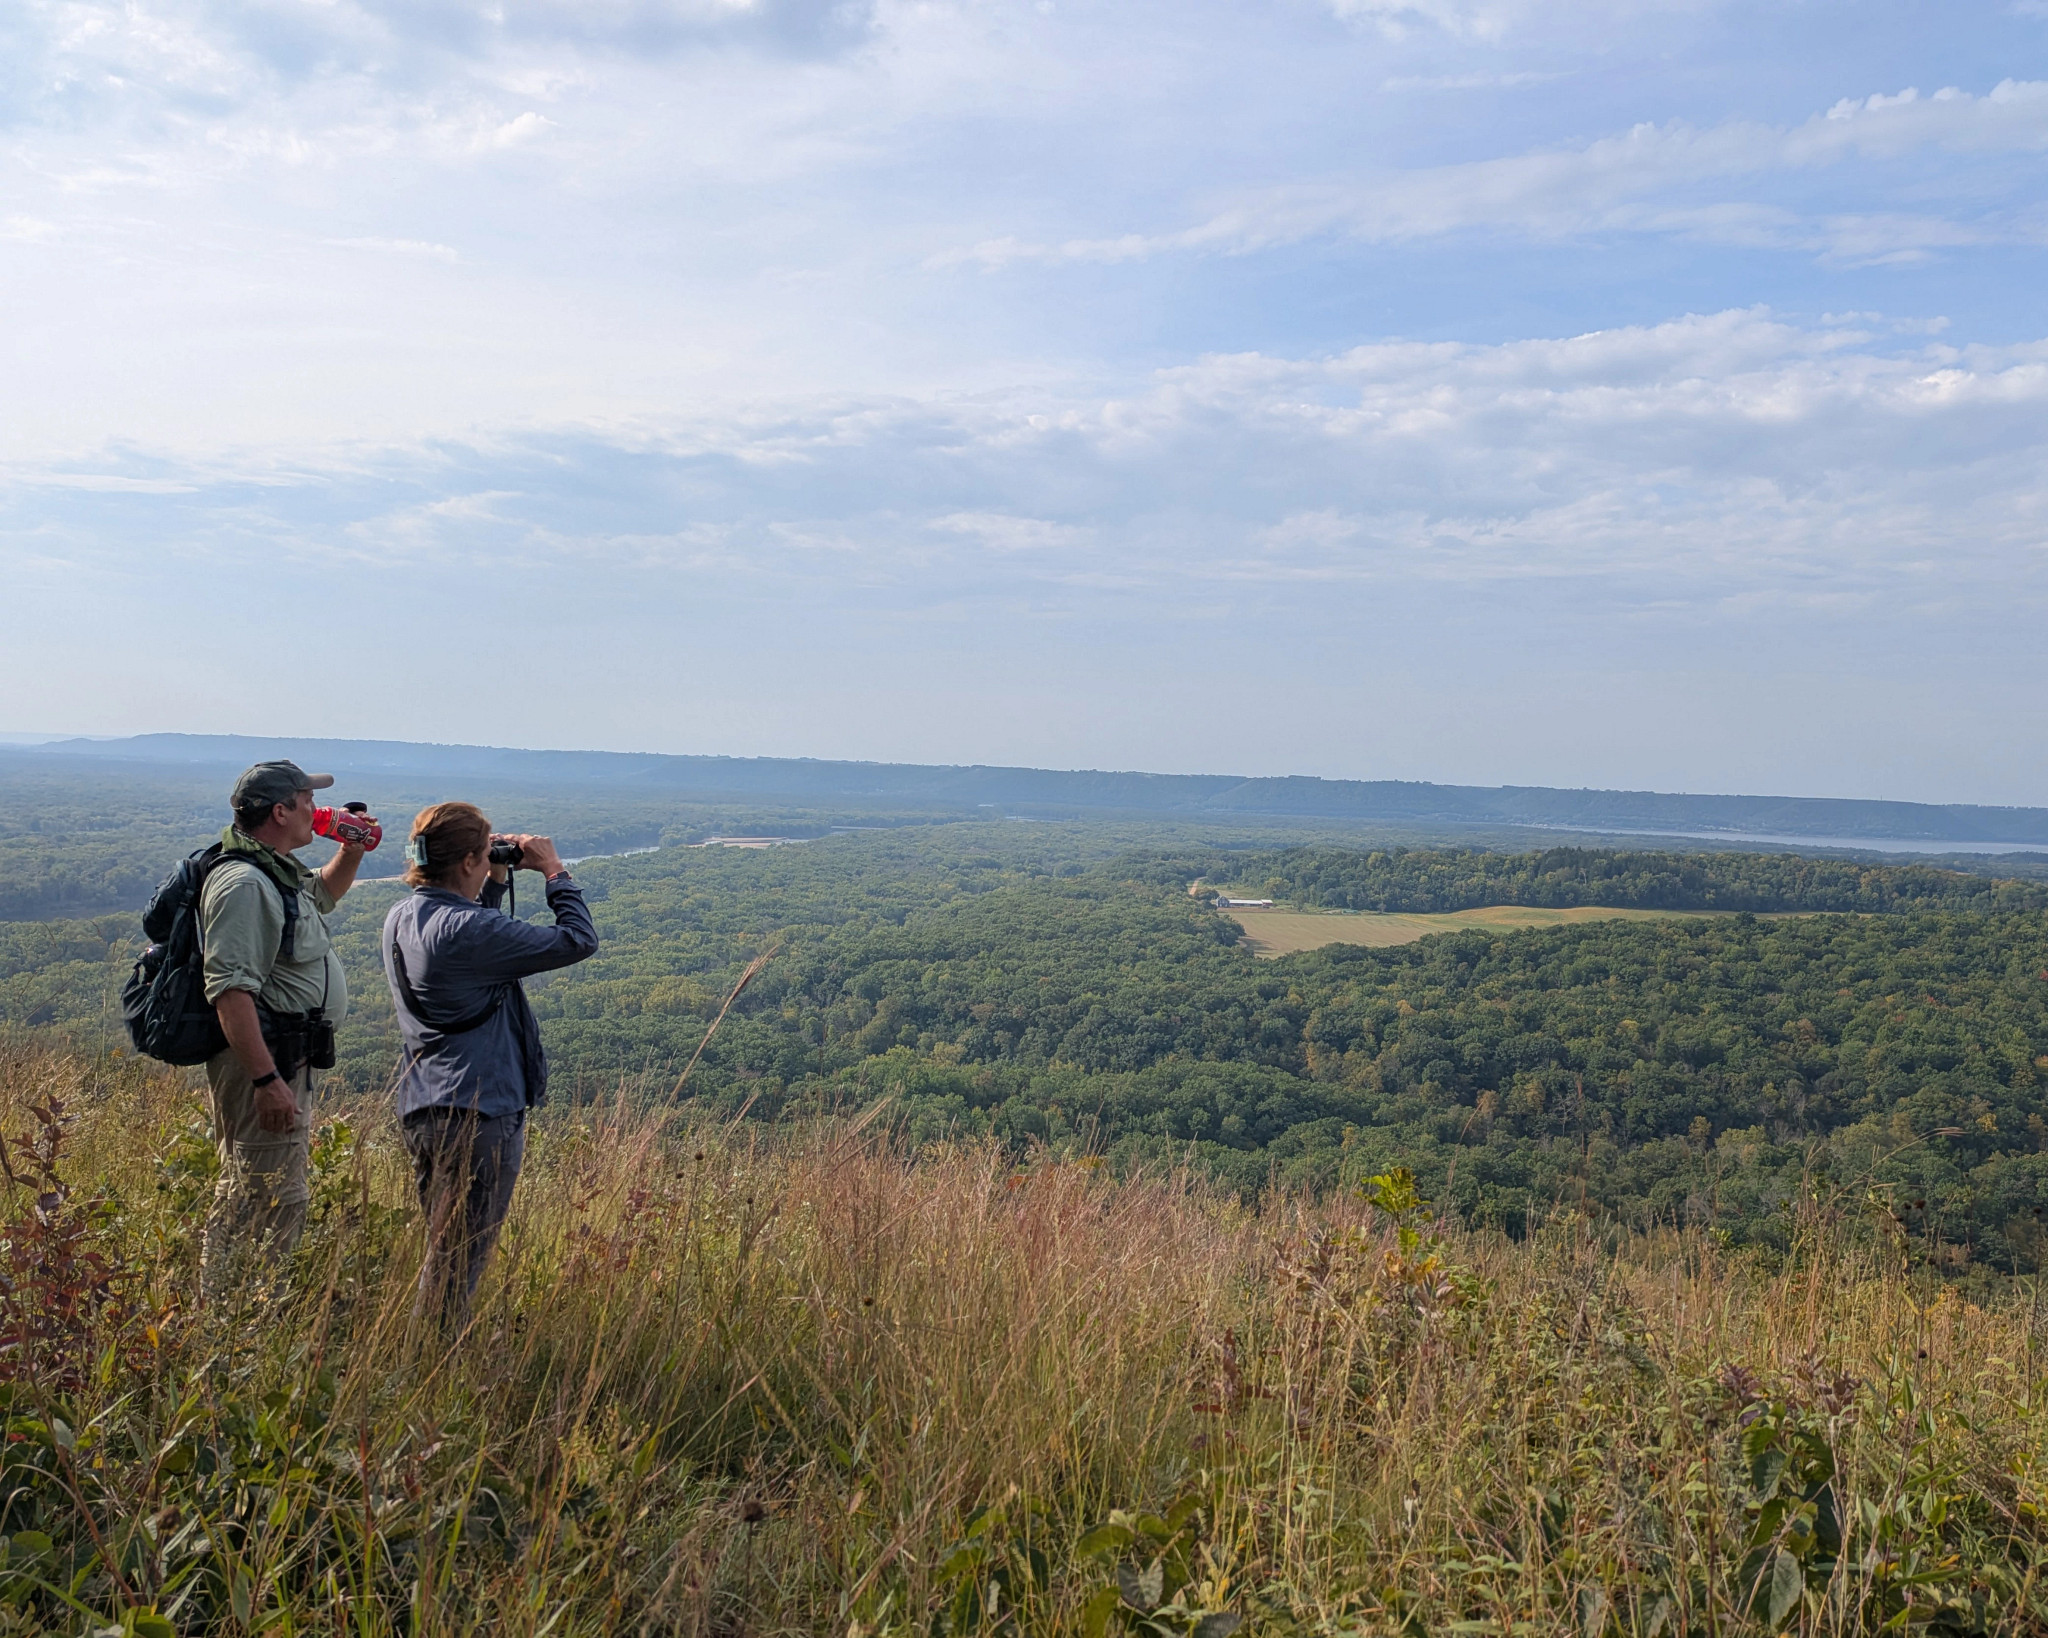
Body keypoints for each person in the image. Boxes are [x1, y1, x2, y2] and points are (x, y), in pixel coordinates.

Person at [381, 802, 599, 1331]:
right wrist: (554, 872)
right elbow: (577, 940)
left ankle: (422, 1358)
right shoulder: (466, 930)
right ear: (465, 863)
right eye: (483, 855)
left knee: (445, 1251)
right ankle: (430, 1372)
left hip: (426, 1108)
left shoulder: (403, 916)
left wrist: (493, 879)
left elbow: (476, 936)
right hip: (478, 1112)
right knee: (458, 1266)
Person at [200, 759, 378, 1302]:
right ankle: (246, 1318)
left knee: (253, 1185)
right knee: (271, 1194)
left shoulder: (275, 868)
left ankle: (228, 1308)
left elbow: (321, 896)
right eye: (306, 801)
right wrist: (265, 1079)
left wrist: (349, 849)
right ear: (280, 811)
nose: (315, 810)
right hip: (267, 1062)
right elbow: (230, 992)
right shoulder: (246, 883)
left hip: (284, 1058)